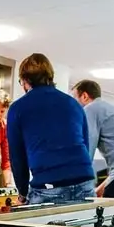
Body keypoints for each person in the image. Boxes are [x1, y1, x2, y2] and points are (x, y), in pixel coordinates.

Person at [7, 53, 95, 205]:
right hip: (85, 181)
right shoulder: (73, 103)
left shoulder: (18, 108)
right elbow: (86, 144)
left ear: (25, 81)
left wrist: (22, 193)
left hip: (49, 186)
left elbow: (17, 156)